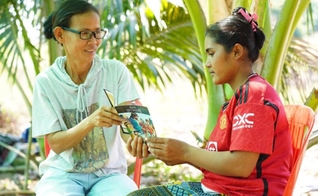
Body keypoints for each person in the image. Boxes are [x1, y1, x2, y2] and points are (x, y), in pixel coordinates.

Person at [127, 7, 293, 196]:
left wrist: (186, 153)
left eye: (212, 53)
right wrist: (174, 153)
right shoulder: (240, 98)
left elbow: (240, 165)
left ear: (236, 51)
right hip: (216, 189)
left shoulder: (254, 95)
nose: (207, 63)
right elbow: (223, 161)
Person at [32, 0, 142, 195]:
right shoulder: (46, 82)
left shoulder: (115, 71)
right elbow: (56, 144)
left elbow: (129, 125)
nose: (94, 41)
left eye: (97, 32)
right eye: (85, 34)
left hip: (110, 175)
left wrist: (135, 138)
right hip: (62, 175)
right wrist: (91, 121)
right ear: (60, 35)